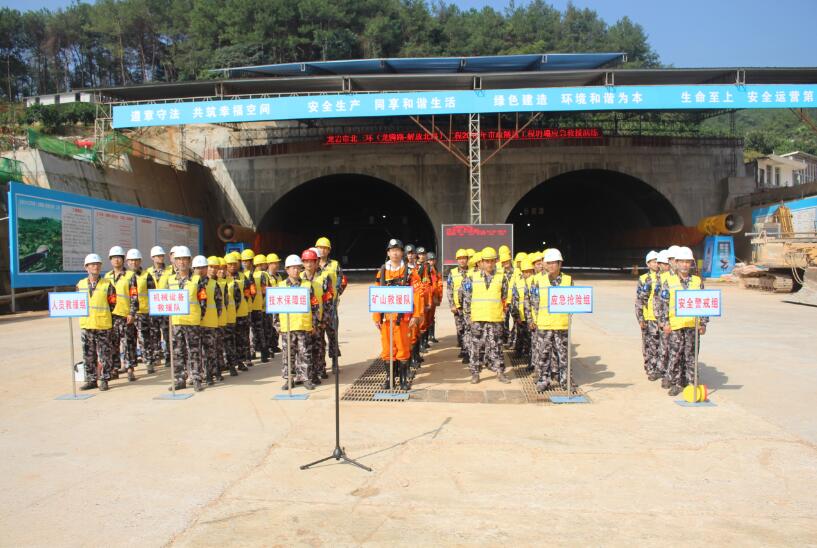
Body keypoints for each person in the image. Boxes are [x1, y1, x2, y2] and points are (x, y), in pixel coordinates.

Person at [658, 246, 708, 397]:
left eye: (688, 262)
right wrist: (665, 323)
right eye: (682, 261)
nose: (685, 265)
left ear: (691, 263)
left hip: (692, 325)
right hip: (676, 326)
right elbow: (663, 304)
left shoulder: (697, 281)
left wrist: (703, 323)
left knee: (691, 355)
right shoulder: (669, 281)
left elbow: (704, 302)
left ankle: (692, 383)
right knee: (676, 355)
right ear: (677, 263)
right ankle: (677, 383)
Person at [374, 239, 423, 390]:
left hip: (403, 319)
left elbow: (418, 294)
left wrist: (416, 315)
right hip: (386, 319)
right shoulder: (382, 272)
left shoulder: (410, 272)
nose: (395, 253)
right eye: (392, 250)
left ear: (402, 253)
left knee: (403, 348)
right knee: (387, 350)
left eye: (398, 250)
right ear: (388, 253)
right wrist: (376, 317)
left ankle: (403, 379)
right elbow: (377, 295)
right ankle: (389, 379)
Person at [461, 246, 511, 384]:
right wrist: (468, 318)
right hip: (477, 319)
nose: (489, 264)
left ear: (495, 261)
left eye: (492, 261)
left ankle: (500, 373)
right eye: (486, 261)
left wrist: (502, 315)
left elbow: (504, 298)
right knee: (475, 348)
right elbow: (466, 299)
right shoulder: (472, 277)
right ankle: (475, 374)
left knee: (497, 347)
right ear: (481, 262)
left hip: (495, 318)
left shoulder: (502, 278)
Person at [525, 248, 572, 391]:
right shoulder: (538, 281)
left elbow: (573, 302)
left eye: (554, 263)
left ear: (560, 264)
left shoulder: (568, 280)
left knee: (563, 355)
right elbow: (534, 302)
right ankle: (543, 380)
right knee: (543, 355)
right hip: (544, 324)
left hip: (561, 324)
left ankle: (565, 381)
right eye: (548, 263)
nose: (551, 266)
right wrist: (533, 320)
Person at [275, 254, 320, 391]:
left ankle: (306, 379)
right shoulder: (281, 286)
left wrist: (314, 324)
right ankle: (289, 379)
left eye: (297, 268)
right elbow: (275, 308)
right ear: (287, 270)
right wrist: (277, 325)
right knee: (288, 355)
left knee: (304, 353)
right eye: (292, 268)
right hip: (287, 327)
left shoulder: (307, 285)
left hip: (303, 326)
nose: (295, 270)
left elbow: (315, 306)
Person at [166, 247, 208, 391]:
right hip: (176, 322)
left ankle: (196, 378)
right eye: (179, 259)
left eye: (184, 259)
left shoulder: (197, 279)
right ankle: (179, 380)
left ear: (189, 261)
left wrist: (198, 316)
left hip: (192, 322)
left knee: (194, 351)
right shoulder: (170, 280)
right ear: (175, 262)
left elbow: (203, 301)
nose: (182, 262)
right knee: (177, 352)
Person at [77, 253, 117, 391]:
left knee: (105, 354)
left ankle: (104, 379)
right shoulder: (80, 285)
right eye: (92, 265)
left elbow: (113, 303)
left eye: (98, 264)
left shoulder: (107, 284)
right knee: (88, 354)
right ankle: (91, 379)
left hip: (103, 325)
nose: (95, 267)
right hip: (87, 325)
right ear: (86, 267)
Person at [300, 248, 333, 383]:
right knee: (306, 347)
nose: (309, 264)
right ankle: (309, 373)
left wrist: (324, 320)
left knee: (319, 346)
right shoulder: (299, 277)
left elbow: (328, 300)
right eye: (306, 261)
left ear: (317, 262)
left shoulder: (324, 277)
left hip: (319, 319)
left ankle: (320, 369)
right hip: (303, 320)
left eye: (312, 261)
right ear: (303, 263)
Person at [105, 246, 137, 381]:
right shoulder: (107, 277)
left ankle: (130, 369)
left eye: (119, 257)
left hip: (125, 315)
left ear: (123, 259)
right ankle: (115, 368)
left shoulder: (130, 275)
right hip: (111, 315)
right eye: (114, 258)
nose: (116, 260)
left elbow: (134, 295)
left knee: (128, 342)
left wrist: (132, 313)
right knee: (113, 343)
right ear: (110, 260)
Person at [315, 237, 346, 366]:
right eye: (320, 247)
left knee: (332, 334)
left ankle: (335, 361)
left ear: (329, 250)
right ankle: (320, 364)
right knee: (318, 337)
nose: (322, 250)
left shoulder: (334, 264)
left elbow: (343, 280)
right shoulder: (312, 264)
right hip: (316, 306)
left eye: (325, 248)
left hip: (330, 305)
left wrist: (337, 294)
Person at [126, 248, 157, 376]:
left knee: (144, 339)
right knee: (128, 340)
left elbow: (153, 294)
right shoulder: (124, 276)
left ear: (140, 261)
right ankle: (130, 366)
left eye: (136, 260)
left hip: (143, 312)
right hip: (127, 313)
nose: (133, 262)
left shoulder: (146, 275)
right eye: (131, 260)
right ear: (127, 261)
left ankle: (149, 362)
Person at [195, 255, 223, 386]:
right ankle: (198, 375)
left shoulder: (213, 284)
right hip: (194, 323)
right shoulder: (190, 283)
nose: (200, 270)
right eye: (198, 268)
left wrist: (214, 317)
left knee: (210, 350)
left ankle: (210, 374)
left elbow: (219, 304)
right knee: (196, 351)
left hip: (210, 323)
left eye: (203, 267)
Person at [636, 251, 661, 381]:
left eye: (658, 261)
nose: (656, 264)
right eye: (654, 262)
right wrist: (640, 318)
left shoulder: (664, 277)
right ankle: (650, 368)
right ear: (648, 264)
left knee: (661, 345)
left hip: (661, 318)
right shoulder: (644, 279)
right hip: (648, 317)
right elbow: (639, 300)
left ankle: (660, 368)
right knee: (649, 345)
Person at [146, 246, 171, 366]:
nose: (160, 258)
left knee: (167, 333)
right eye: (157, 256)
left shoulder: (170, 271)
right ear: (152, 257)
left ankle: (168, 357)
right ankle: (157, 356)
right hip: (153, 307)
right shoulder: (147, 272)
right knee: (154, 333)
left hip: (166, 307)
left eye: (161, 256)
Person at [228, 251, 252, 371]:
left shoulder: (243, 277)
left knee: (241, 339)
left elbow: (248, 292)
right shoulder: (222, 278)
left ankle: (240, 361)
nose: (233, 266)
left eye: (234, 264)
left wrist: (243, 303)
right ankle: (230, 364)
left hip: (241, 314)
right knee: (229, 340)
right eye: (230, 264)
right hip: (228, 315)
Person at [447, 248, 470, 361]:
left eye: (464, 258)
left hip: (470, 308)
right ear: (457, 260)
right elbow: (449, 290)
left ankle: (467, 352)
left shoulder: (473, 272)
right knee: (460, 329)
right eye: (460, 258)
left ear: (467, 259)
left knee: (469, 329)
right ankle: (463, 349)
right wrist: (452, 305)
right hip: (458, 307)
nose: (462, 261)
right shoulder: (453, 273)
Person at [510, 257, 535, 363]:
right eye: (525, 272)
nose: (527, 274)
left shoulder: (536, 282)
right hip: (521, 316)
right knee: (520, 336)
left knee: (531, 340)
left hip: (533, 318)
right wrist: (516, 316)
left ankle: (530, 358)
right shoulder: (518, 283)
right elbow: (514, 301)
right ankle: (519, 353)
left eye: (529, 271)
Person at [220, 255, 240, 377]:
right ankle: (221, 366)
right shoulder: (212, 282)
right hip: (216, 320)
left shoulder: (232, 282)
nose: (221, 271)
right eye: (220, 268)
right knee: (218, 344)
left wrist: (232, 311)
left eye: (223, 268)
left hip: (229, 318)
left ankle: (232, 365)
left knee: (230, 343)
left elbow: (237, 299)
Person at [655, 249, 672, 387]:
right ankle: (664, 372)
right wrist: (660, 319)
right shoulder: (661, 279)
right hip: (667, 320)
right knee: (665, 347)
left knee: (677, 350)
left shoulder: (691, 279)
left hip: (682, 321)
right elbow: (658, 301)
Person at [249, 252, 270, 362]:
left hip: (252, 307)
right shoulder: (263, 274)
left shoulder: (251, 274)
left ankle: (254, 352)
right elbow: (264, 291)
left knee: (253, 331)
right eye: (264, 263)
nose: (266, 265)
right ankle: (263, 352)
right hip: (258, 306)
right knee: (260, 330)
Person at [266, 253, 283, 355]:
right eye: (274, 263)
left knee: (277, 325)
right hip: (269, 305)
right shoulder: (266, 276)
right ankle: (269, 346)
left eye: (277, 263)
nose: (277, 265)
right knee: (269, 326)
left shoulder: (279, 276)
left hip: (278, 304)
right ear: (269, 264)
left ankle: (274, 345)